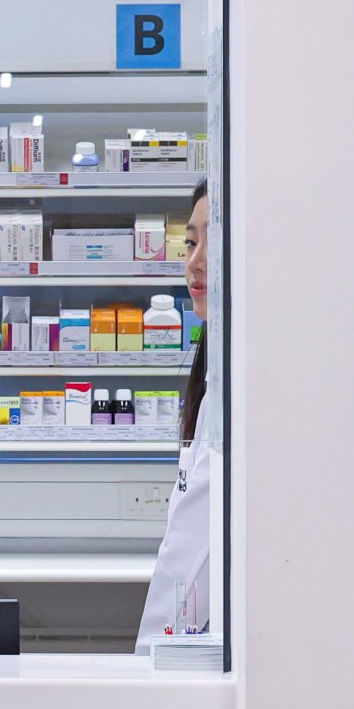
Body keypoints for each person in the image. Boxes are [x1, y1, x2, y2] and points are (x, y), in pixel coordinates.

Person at [137, 182, 223, 652]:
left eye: (216, 241)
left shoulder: (241, 384)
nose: (195, 261)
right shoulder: (215, 369)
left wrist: (154, 653)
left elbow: (197, 558)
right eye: (191, 242)